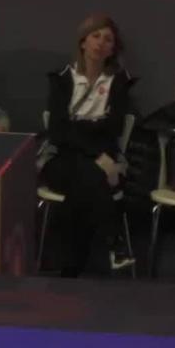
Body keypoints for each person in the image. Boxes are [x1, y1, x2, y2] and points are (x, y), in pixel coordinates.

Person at [39, 14, 132, 277]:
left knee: (87, 180)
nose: (100, 43)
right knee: (94, 176)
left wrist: (79, 130)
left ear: (113, 49)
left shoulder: (118, 81)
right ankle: (115, 240)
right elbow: (57, 132)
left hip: (98, 159)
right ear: (83, 42)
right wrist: (95, 147)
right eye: (95, 36)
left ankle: (69, 267)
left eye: (108, 39)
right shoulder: (61, 78)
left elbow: (113, 128)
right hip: (64, 160)